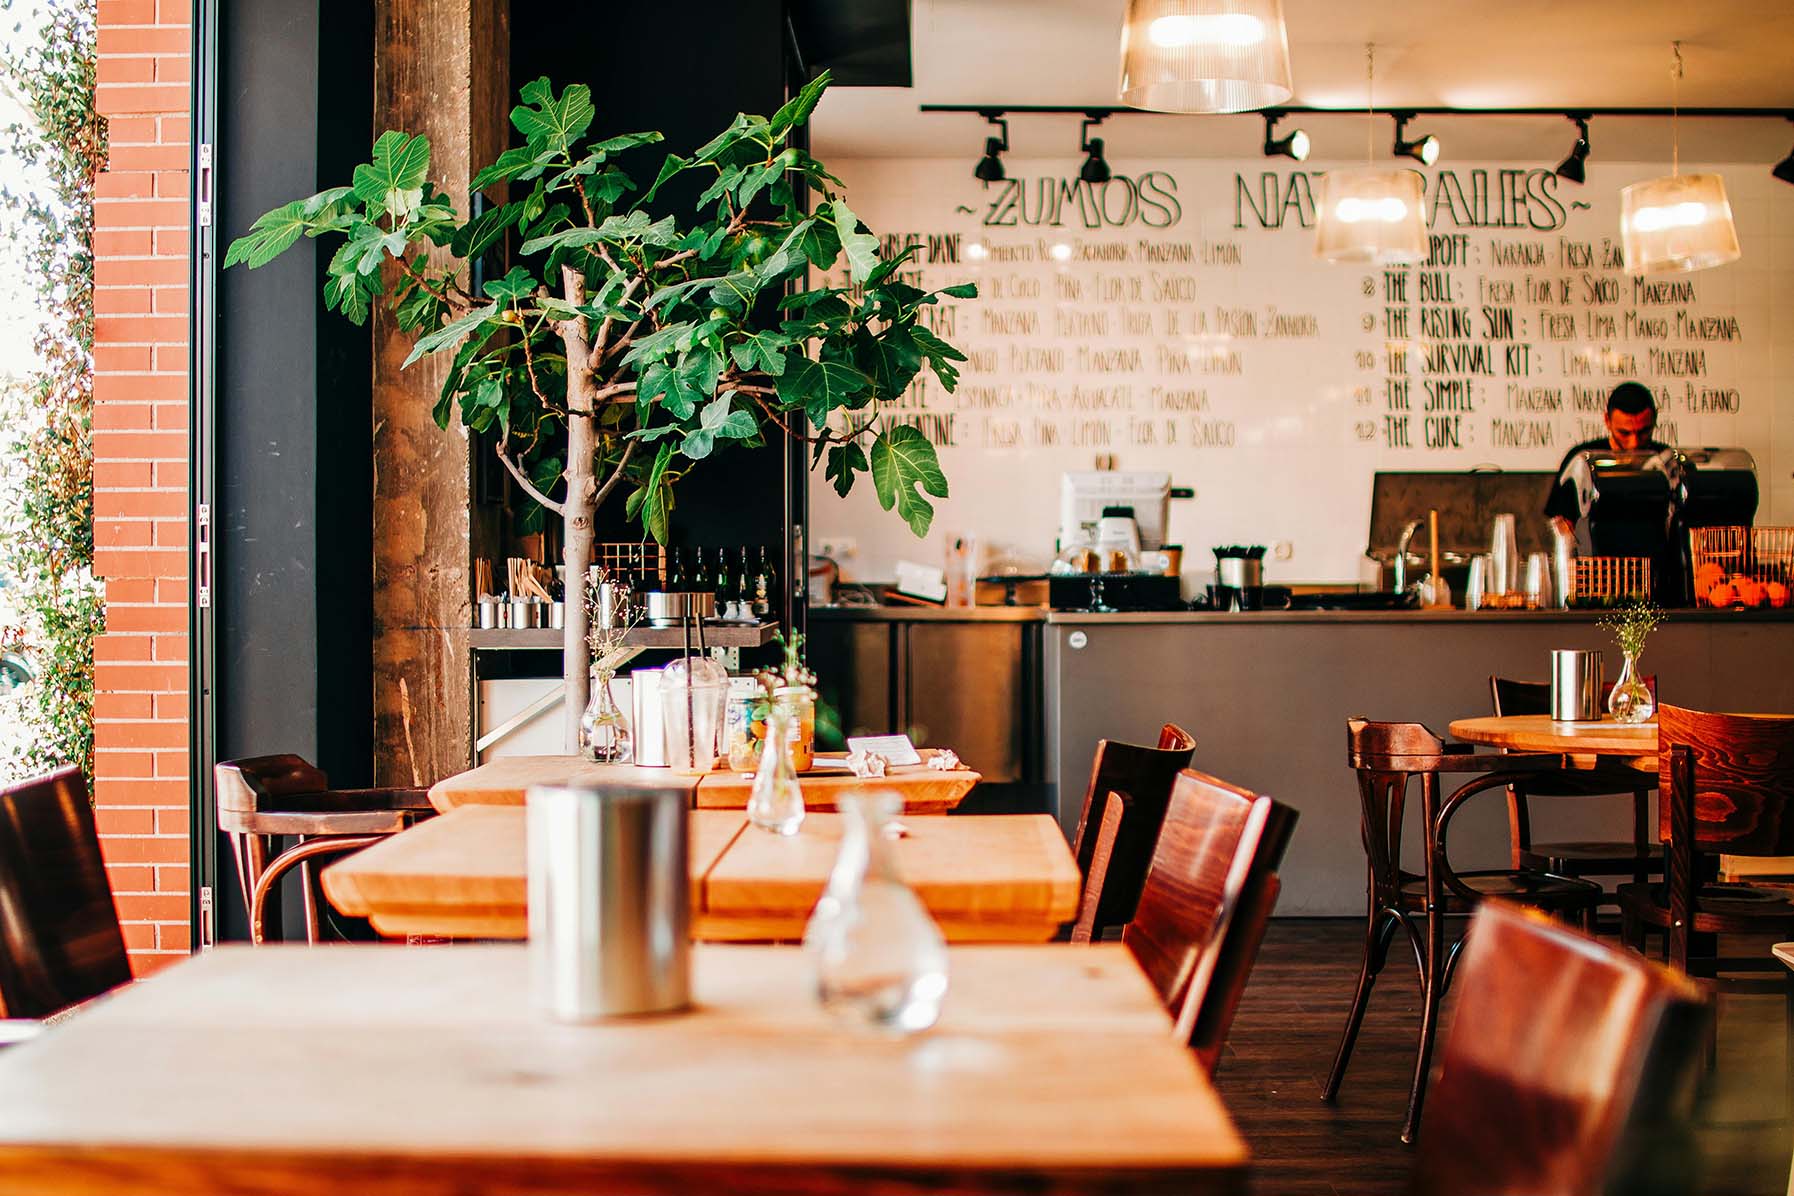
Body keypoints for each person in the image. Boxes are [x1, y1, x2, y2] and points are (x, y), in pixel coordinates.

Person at [1544, 382, 1667, 539]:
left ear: (1654, 419)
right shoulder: (1582, 460)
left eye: (1644, 431)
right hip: (1595, 559)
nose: (1634, 443)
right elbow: (1561, 520)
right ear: (1607, 420)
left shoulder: (1664, 459)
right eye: (1624, 433)